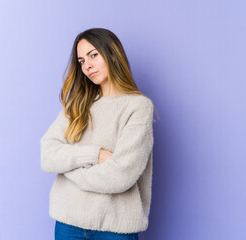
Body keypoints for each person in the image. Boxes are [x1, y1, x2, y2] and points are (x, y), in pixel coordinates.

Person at [40, 28, 158, 240]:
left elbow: (120, 176)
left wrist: (68, 170)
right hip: (68, 225)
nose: (88, 66)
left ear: (112, 54)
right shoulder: (76, 105)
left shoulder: (138, 107)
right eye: (82, 60)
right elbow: (47, 156)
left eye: (93, 55)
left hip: (114, 228)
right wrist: (95, 155)